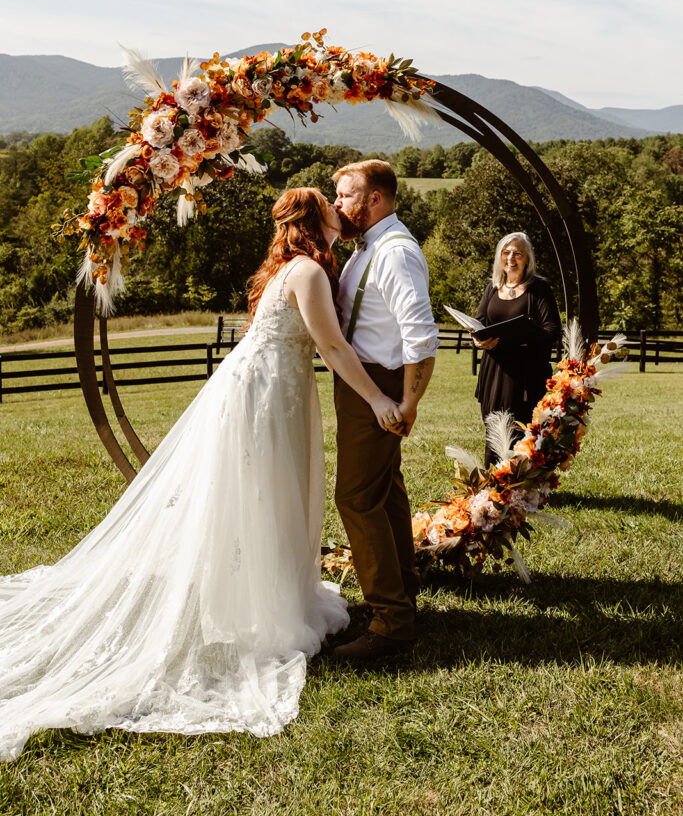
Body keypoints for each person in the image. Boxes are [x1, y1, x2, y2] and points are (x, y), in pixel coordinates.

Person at [0, 188, 404, 762]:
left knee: (260, 496)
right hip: (269, 393)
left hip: (264, 384)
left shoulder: (291, 267)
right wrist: (378, 399)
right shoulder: (310, 271)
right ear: (319, 219)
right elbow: (334, 348)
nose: (343, 208)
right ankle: (257, 609)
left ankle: (256, 592)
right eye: (333, 204)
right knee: (264, 495)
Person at [330, 160, 439, 664]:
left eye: (345, 195)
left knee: (355, 498)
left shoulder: (395, 253)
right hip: (363, 385)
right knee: (384, 486)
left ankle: (391, 622)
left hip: (380, 385)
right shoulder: (366, 246)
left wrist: (408, 402)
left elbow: (421, 335)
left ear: (375, 198)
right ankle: (406, 581)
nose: (337, 204)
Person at [473, 231, 562, 466]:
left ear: (527, 259)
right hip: (494, 371)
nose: (511, 258)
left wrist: (523, 340)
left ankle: (521, 484)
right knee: (493, 424)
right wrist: (477, 339)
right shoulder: (492, 288)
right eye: (506, 252)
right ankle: (495, 481)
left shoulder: (538, 289)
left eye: (517, 253)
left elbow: (552, 330)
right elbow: (479, 322)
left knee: (520, 426)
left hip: (525, 372)